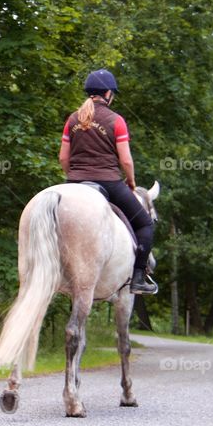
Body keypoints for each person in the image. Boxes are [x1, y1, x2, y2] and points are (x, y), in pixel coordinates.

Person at [59, 69, 157, 294]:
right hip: (109, 182)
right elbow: (126, 160)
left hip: (74, 182)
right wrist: (130, 182)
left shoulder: (72, 119)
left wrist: (73, 175)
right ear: (108, 93)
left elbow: (63, 158)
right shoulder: (116, 120)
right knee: (145, 224)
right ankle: (139, 278)